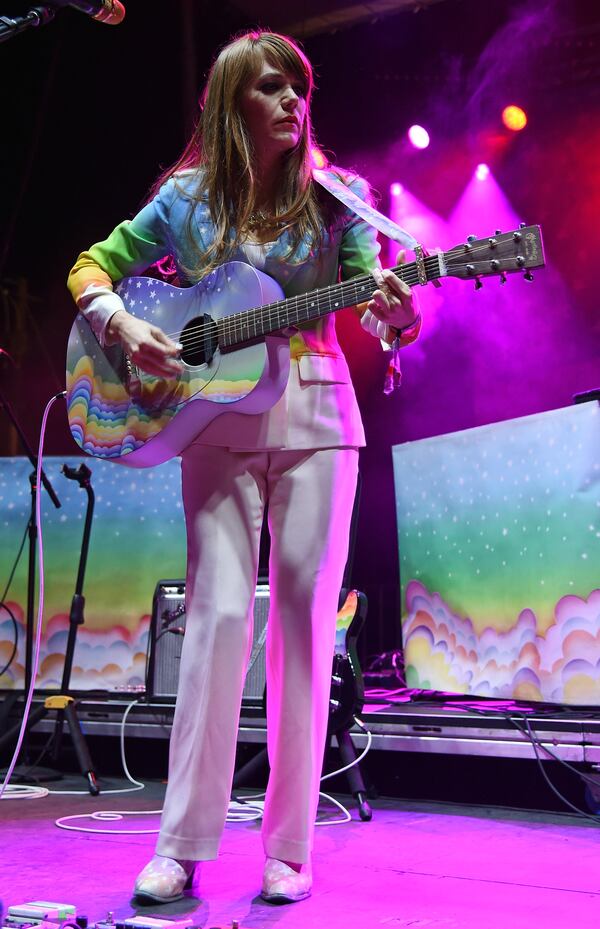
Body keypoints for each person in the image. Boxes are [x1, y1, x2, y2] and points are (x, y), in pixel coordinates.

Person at [67, 30, 420, 905]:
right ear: (233, 103)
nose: (294, 102)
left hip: (316, 410)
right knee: (218, 616)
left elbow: (377, 305)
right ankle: (181, 845)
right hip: (215, 423)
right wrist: (120, 324)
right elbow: (90, 266)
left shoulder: (339, 199)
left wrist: (395, 319)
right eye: (272, 88)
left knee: (301, 624)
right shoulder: (184, 201)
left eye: (300, 88)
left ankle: (290, 850)